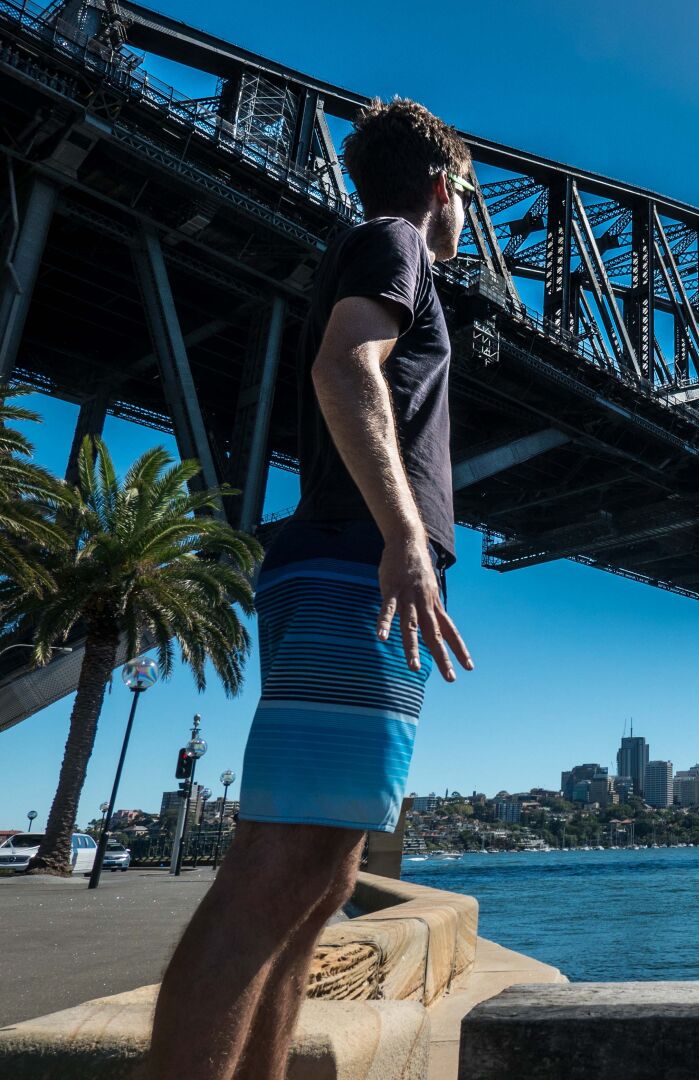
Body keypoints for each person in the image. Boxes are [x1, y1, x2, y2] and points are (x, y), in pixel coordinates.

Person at [146, 98, 475, 1079]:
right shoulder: (394, 241)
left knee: (321, 879)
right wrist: (406, 538)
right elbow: (347, 366)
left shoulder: (384, 244)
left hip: (349, 565)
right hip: (355, 567)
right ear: (442, 186)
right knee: (274, 872)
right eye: (464, 200)